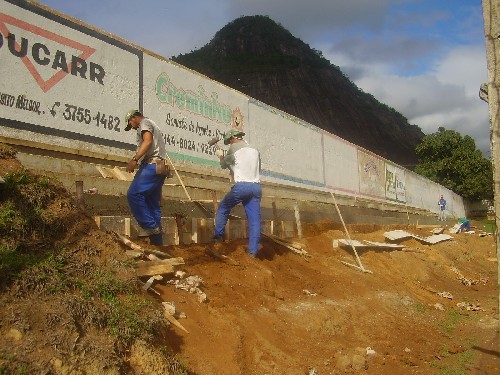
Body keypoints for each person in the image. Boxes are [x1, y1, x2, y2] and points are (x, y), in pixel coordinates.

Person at [212, 129, 262, 256]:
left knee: (223, 207)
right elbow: (246, 166)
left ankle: (218, 237)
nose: (229, 143)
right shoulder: (255, 149)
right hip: (256, 187)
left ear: (233, 138)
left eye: (229, 141)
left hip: (242, 187)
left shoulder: (233, 148)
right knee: (254, 221)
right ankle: (253, 253)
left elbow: (224, 165)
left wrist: (220, 156)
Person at [124, 109, 169, 245]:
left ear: (133, 118)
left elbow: (147, 141)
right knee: (151, 203)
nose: (132, 127)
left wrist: (134, 159)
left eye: (131, 124)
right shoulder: (153, 124)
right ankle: (158, 245)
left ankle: (150, 226)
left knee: (133, 194)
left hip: (151, 166)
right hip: (160, 167)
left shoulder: (144, 122)